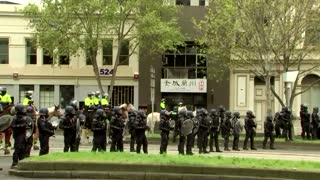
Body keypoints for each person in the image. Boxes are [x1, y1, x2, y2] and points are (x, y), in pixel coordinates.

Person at [11, 104, 28, 168]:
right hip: (18, 135)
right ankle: (14, 163)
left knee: (23, 149)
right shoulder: (15, 118)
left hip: (23, 135)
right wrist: (21, 126)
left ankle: (22, 162)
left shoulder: (24, 117)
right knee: (17, 149)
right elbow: (13, 126)